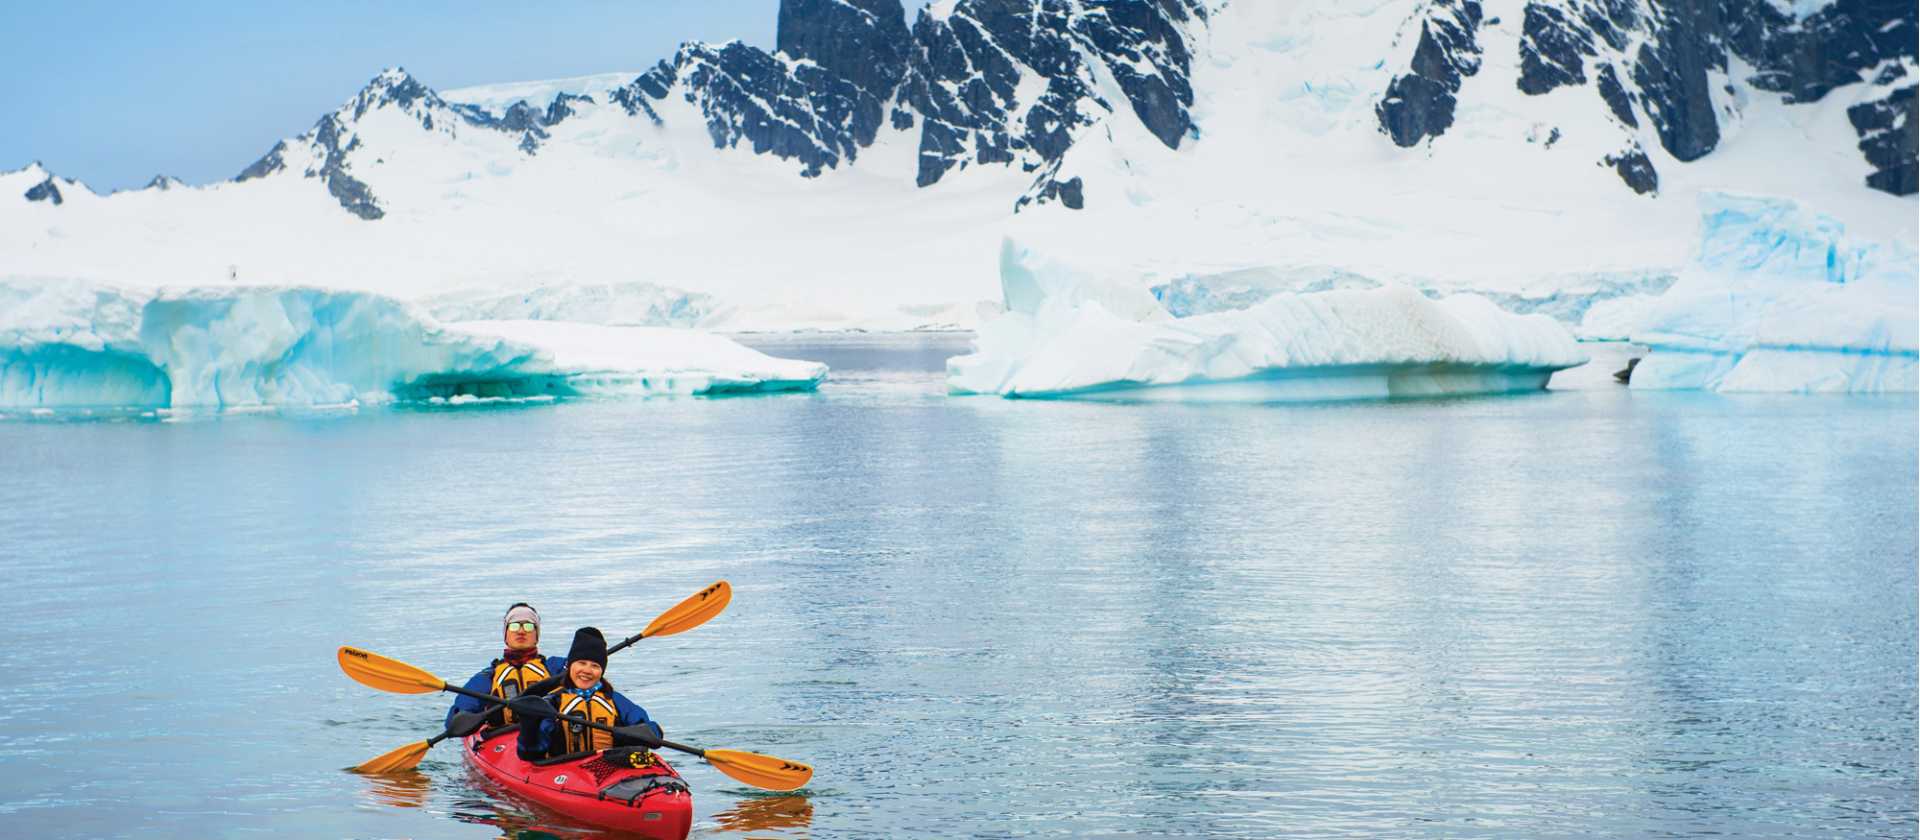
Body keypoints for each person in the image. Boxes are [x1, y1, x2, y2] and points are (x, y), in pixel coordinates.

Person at [515, 626, 661, 759]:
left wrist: (635, 734)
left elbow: (653, 730)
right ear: (570, 666)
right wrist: (530, 725)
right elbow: (531, 752)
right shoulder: (553, 704)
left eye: (595, 666)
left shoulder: (615, 700)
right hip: (565, 771)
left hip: (608, 768)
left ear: (601, 671)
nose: (587, 670)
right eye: (582, 663)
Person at [445, 603, 568, 729]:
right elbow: (452, 721)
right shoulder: (488, 677)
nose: (521, 631)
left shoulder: (556, 667)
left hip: (547, 733)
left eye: (528, 626)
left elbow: (580, 666)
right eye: (514, 626)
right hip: (503, 735)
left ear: (536, 635)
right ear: (506, 635)